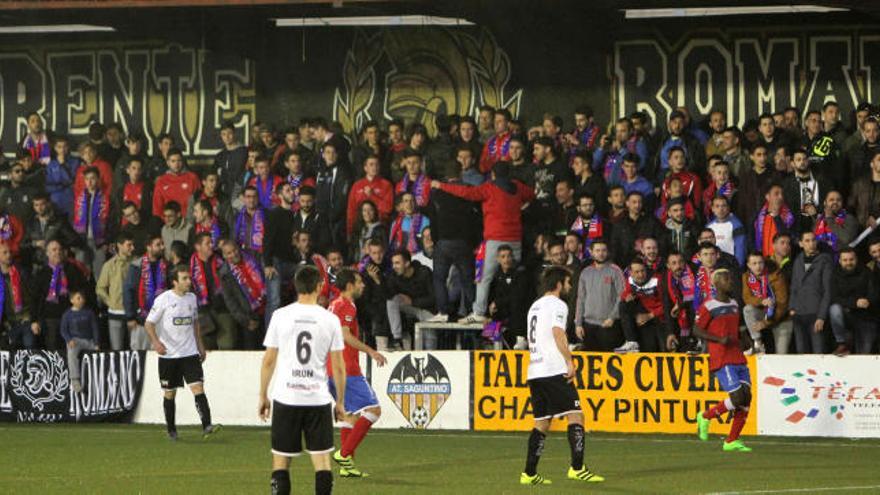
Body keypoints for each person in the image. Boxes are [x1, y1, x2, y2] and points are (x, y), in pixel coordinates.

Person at [258, 265, 346, 495]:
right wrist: (340, 402)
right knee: (322, 462)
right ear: (319, 286)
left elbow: (269, 360)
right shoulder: (330, 319)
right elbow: (338, 366)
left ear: (296, 287)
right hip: (317, 399)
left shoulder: (280, 316)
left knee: (281, 462)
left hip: (286, 397)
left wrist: (263, 395)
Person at [521, 266, 604, 486]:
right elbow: (558, 333)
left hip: (535, 370)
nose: (569, 287)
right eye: (567, 282)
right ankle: (577, 468)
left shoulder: (534, 306)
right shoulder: (558, 304)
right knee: (576, 415)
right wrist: (569, 360)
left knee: (542, 422)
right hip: (553, 369)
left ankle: (529, 473)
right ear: (558, 283)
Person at [432, 162, 535, 324]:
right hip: (515, 240)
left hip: (495, 240)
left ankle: (479, 312)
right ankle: (516, 323)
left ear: (493, 174)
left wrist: (442, 186)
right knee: (515, 280)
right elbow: (532, 194)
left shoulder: (489, 188)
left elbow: (466, 192)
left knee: (484, 277)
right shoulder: (518, 187)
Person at [145, 265, 220, 441]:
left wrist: (200, 345)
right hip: (169, 356)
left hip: (189, 353)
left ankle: (207, 426)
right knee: (170, 393)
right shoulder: (163, 299)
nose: (189, 281)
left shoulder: (192, 298)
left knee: (198, 388)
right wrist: (156, 342)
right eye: (184, 278)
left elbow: (194, 323)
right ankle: (171, 429)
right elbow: (149, 324)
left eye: (189, 278)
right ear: (175, 282)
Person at [327, 269, 387, 478]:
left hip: (331, 368)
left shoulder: (333, 304)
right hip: (347, 368)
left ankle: (347, 466)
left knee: (349, 415)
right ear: (350, 285)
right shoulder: (347, 306)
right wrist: (371, 351)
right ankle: (343, 454)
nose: (363, 285)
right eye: (360, 282)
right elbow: (345, 336)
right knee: (374, 410)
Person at [694, 269, 753, 453]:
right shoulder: (709, 306)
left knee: (746, 398)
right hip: (722, 357)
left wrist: (747, 340)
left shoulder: (735, 304)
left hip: (737, 355)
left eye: (730, 277)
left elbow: (739, 327)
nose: (731, 281)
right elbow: (696, 330)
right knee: (737, 397)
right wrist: (718, 340)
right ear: (716, 283)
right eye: (726, 279)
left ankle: (731, 441)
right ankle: (705, 416)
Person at [34, 239, 88, 351]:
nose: (57, 252)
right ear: (47, 253)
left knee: (71, 351)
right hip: (50, 318)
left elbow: (83, 291)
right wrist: (35, 320)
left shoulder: (73, 270)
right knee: (53, 352)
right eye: (54, 250)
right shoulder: (42, 273)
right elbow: (36, 298)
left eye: (60, 249)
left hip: (71, 317)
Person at [575, 240, 625, 351]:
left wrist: (612, 317)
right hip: (588, 325)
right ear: (591, 252)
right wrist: (578, 324)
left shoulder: (615, 270)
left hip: (608, 325)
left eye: (603, 250)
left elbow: (622, 296)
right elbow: (580, 299)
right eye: (597, 250)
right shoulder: (585, 272)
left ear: (607, 252)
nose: (601, 253)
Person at [190, 233, 237, 350]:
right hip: (203, 313)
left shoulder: (221, 261)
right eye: (207, 243)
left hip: (223, 310)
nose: (211, 245)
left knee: (227, 347)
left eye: (212, 242)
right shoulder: (190, 266)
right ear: (198, 246)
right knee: (207, 349)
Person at [789, 231, 833, 354]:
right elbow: (794, 287)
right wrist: (792, 308)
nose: (811, 243)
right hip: (799, 314)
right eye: (807, 241)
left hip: (815, 313)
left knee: (818, 353)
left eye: (813, 240)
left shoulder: (825, 260)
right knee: (802, 353)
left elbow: (827, 290)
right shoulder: (798, 260)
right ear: (801, 244)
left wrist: (821, 316)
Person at [618, 259, 675, 353]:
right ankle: (631, 342)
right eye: (637, 272)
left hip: (661, 318)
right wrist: (636, 314)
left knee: (663, 351)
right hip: (645, 318)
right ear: (631, 273)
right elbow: (625, 295)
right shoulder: (630, 280)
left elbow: (668, 304)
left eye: (642, 271)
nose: (640, 275)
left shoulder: (657, 280)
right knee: (623, 304)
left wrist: (651, 315)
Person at [123, 235, 168, 351]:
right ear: (148, 247)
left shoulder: (165, 265)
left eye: (162, 244)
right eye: (158, 245)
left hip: (161, 319)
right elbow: (129, 291)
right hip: (140, 319)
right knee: (139, 353)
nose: (162, 247)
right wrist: (130, 317)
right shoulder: (136, 266)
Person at [829, 248, 877, 356]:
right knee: (834, 309)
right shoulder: (835, 274)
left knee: (864, 355)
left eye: (851, 259)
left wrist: (867, 301)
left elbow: (874, 294)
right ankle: (841, 343)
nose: (848, 263)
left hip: (866, 317)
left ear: (856, 259)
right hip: (846, 316)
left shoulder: (866, 272)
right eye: (845, 260)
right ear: (840, 261)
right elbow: (834, 297)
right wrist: (855, 303)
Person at [219, 240, 266, 350]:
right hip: (250, 318)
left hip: (266, 309)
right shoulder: (225, 274)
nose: (234, 254)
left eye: (235, 250)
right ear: (224, 256)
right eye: (229, 253)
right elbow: (230, 302)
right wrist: (245, 320)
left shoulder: (253, 257)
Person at [385, 250, 435, 350]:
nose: (394, 266)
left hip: (427, 310)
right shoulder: (394, 275)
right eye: (393, 263)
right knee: (392, 301)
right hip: (409, 309)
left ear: (407, 263)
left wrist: (413, 302)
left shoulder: (424, 272)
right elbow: (388, 295)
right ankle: (397, 339)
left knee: (429, 342)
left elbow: (434, 298)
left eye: (397, 263)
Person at [742, 252, 790, 355]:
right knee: (747, 309)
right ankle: (758, 343)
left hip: (781, 319)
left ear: (764, 263)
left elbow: (782, 305)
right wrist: (761, 301)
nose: (758, 266)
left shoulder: (776, 275)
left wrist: (765, 323)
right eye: (754, 263)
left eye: (760, 263)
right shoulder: (746, 277)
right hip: (762, 313)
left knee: (781, 355)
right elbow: (747, 298)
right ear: (748, 265)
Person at [96, 232, 135, 350]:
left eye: (133, 245)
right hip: (115, 312)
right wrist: (110, 302)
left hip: (133, 313)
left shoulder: (136, 263)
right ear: (120, 245)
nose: (132, 248)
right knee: (116, 350)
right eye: (129, 245)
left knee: (134, 349)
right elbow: (100, 288)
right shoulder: (109, 265)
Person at [61, 290, 99, 393]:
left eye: (82, 298)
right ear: (72, 300)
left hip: (88, 340)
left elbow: (94, 328)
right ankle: (75, 380)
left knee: (99, 354)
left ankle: (97, 378)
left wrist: (96, 343)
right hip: (75, 340)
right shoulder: (67, 315)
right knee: (71, 353)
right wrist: (69, 340)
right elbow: (63, 330)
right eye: (78, 298)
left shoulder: (89, 312)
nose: (81, 300)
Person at [152, 148, 201, 219]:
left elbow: (200, 202)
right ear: (168, 163)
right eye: (173, 161)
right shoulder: (161, 181)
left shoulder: (192, 177)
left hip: (189, 221)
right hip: (169, 223)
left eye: (179, 160)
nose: (176, 164)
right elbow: (157, 208)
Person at [45, 135, 80, 218]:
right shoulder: (51, 164)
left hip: (71, 200)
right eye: (59, 147)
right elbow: (47, 186)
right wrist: (61, 185)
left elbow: (72, 181)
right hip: (55, 201)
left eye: (65, 146)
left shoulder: (75, 162)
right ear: (55, 148)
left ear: (68, 147)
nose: (62, 150)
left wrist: (62, 164)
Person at [706, 196, 747, 266]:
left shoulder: (737, 225)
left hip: (731, 265)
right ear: (712, 209)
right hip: (713, 266)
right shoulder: (708, 226)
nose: (720, 209)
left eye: (723, 206)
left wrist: (738, 266)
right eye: (717, 206)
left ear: (728, 208)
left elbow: (741, 248)